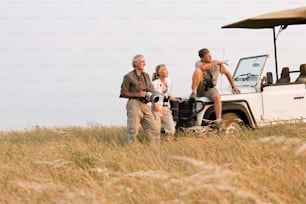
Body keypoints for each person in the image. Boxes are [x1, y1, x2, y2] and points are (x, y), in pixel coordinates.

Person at [190, 48, 240, 123]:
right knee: (198, 71)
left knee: (217, 97)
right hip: (200, 87)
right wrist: (216, 62)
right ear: (202, 58)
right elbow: (203, 68)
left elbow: (228, 74)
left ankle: (218, 120)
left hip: (210, 88)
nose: (210, 57)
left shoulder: (218, 65)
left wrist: (233, 86)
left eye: (210, 55)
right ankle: (194, 92)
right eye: (207, 56)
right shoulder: (199, 63)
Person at [120, 54, 161, 144]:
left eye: (144, 61)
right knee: (133, 130)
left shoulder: (146, 75)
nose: (145, 63)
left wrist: (155, 103)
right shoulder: (128, 76)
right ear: (135, 63)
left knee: (154, 129)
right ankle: (131, 149)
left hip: (145, 104)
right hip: (134, 103)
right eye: (142, 61)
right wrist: (137, 94)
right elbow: (123, 93)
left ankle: (155, 152)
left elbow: (151, 90)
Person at [151, 64, 182, 141]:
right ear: (159, 73)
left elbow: (168, 96)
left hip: (166, 108)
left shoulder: (169, 82)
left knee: (171, 130)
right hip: (157, 108)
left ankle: (166, 143)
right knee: (156, 130)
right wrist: (155, 104)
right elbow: (151, 95)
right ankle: (155, 147)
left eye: (166, 70)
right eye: (164, 70)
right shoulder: (154, 83)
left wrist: (177, 100)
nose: (167, 71)